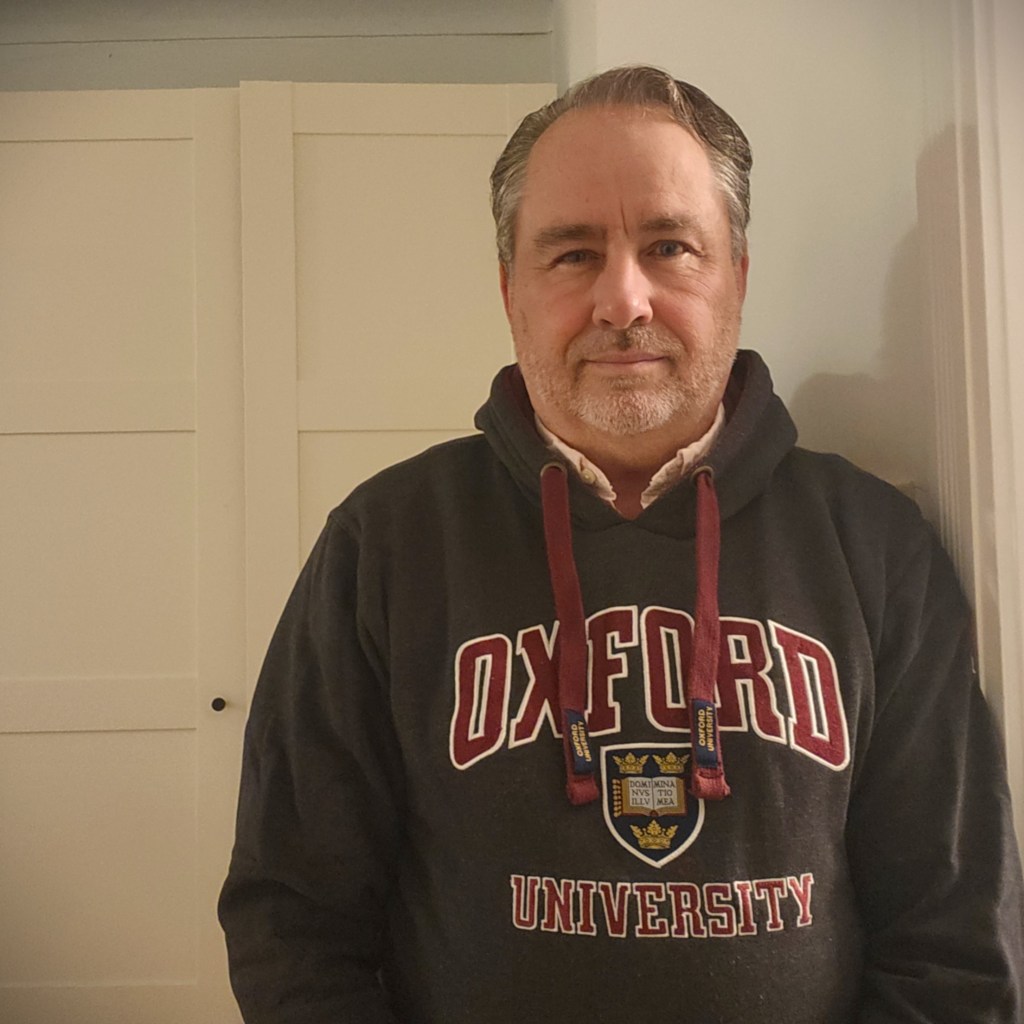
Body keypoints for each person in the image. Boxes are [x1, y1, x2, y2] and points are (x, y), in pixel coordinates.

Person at [219, 65, 1024, 1022]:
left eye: (670, 247)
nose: (623, 300)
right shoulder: (384, 544)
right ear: (511, 292)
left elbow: (955, 939)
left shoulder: (877, 549)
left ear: (736, 277)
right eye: (572, 254)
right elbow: (294, 921)